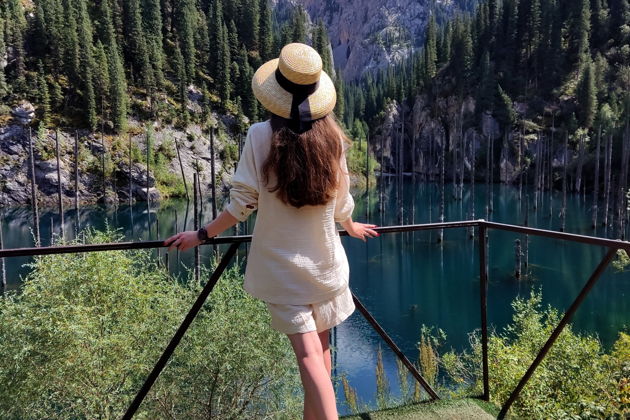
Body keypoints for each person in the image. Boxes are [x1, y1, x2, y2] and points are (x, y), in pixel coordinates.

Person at [164, 43, 378, 419]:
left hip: (284, 271)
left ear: (276, 94)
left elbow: (241, 205)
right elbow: (342, 199)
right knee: (321, 356)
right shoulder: (332, 138)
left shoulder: (260, 135)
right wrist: (349, 225)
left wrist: (201, 235)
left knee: (309, 359)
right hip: (327, 266)